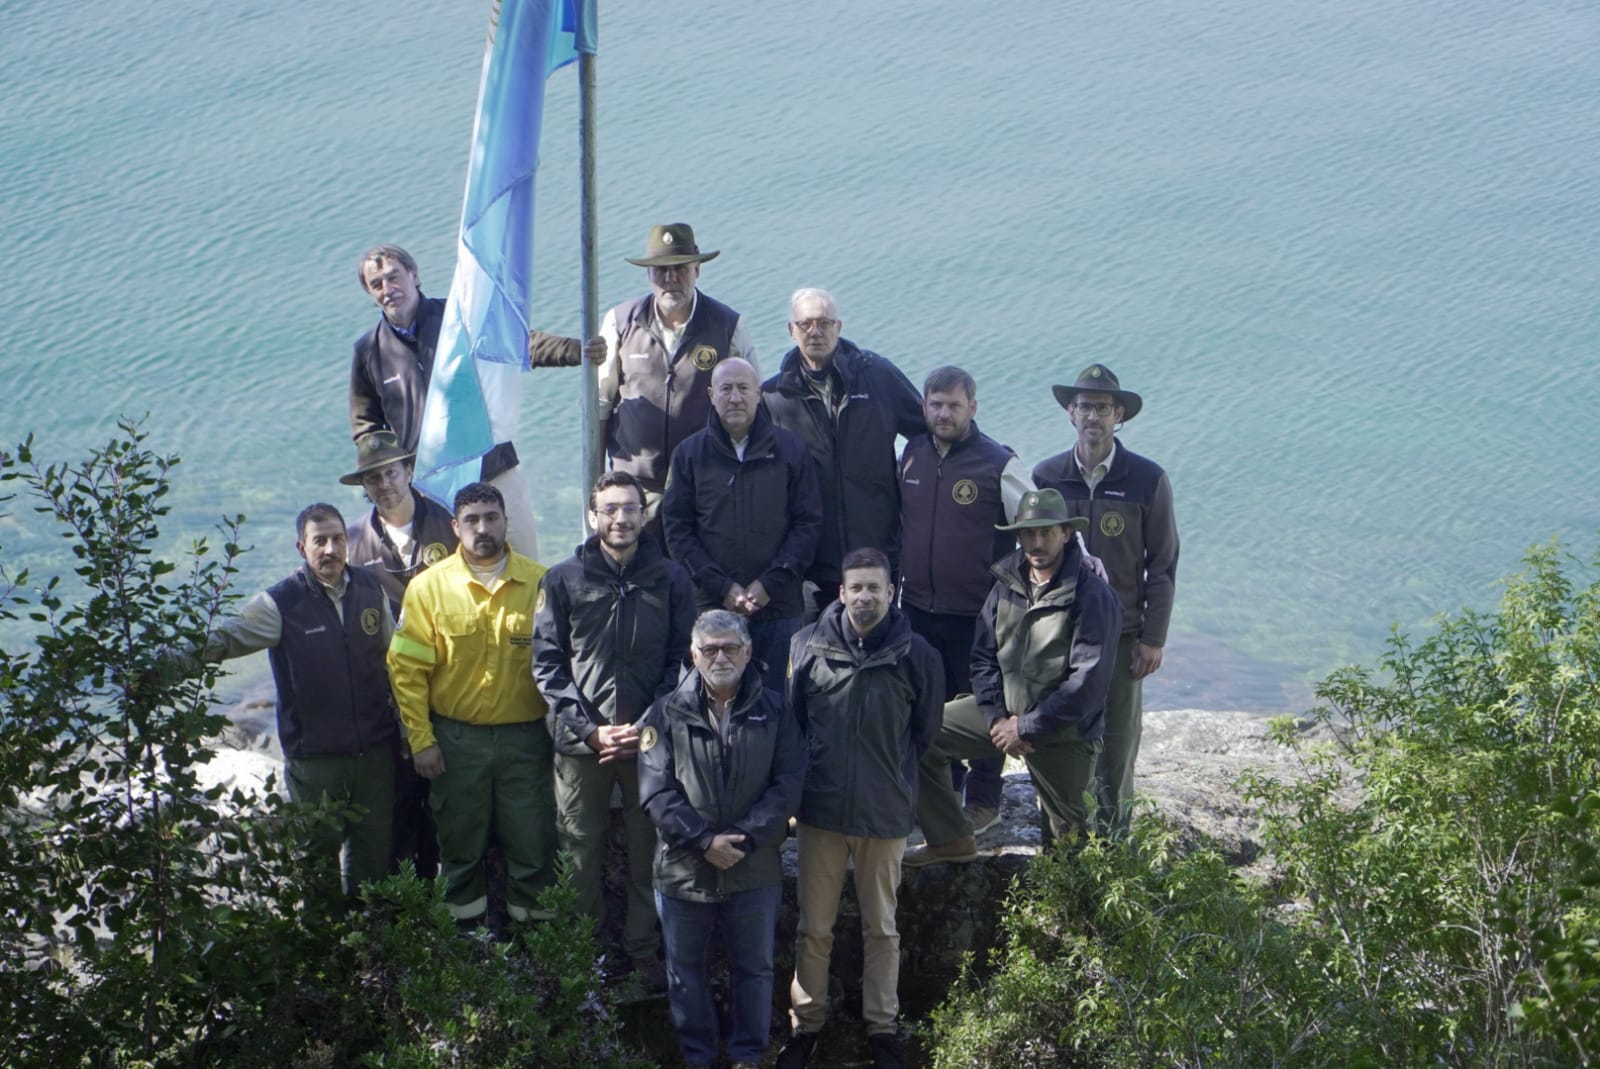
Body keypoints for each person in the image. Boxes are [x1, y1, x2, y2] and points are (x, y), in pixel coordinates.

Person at [776, 549, 943, 1069]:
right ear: (841, 593)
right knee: (815, 929)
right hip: (821, 814)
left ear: (891, 593)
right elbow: (793, 725)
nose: (865, 596)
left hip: (884, 814)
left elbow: (925, 733)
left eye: (875, 587)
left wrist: (888, 778)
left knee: (882, 929)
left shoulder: (919, 656)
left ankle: (882, 1029)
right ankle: (806, 1028)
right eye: (857, 588)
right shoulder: (806, 647)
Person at [531, 470, 695, 985]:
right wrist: (590, 731)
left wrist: (650, 721)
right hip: (582, 747)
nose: (620, 518)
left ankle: (644, 951)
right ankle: (583, 955)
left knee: (651, 852)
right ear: (592, 516)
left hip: (650, 745)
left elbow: (682, 661)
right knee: (580, 852)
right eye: (610, 509)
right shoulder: (562, 579)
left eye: (630, 508)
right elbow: (547, 665)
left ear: (644, 516)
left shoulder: (671, 578)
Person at [903, 489, 1122, 867]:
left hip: (1063, 733)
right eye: (1028, 533)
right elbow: (983, 659)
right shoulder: (1005, 583)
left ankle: (1073, 917)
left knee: (1069, 844)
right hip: (1003, 717)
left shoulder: (1092, 595)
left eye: (1047, 532)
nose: (1037, 543)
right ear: (1018, 535)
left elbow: (1087, 684)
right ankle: (950, 838)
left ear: (1066, 534)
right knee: (920, 732)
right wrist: (997, 719)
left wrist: (1028, 727)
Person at [349, 243, 603, 560]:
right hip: (432, 489)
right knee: (452, 587)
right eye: (377, 284)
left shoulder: (460, 319)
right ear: (370, 293)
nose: (388, 289)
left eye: (394, 277)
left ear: (414, 275)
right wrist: (390, 476)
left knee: (524, 568)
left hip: (493, 466)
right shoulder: (368, 351)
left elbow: (519, 345)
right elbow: (366, 427)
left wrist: (577, 350)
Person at [198, 503, 396, 900]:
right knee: (317, 865)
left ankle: (371, 951)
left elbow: (397, 664)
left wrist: (409, 731)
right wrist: (160, 665)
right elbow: (224, 639)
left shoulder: (371, 590)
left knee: (373, 865)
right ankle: (323, 956)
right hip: (316, 762)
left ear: (347, 542)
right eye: (318, 541)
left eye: (337, 539)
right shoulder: (280, 604)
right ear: (301, 548)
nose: (330, 550)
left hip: (375, 754)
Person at [637, 610, 806, 1069]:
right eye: (709, 649)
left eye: (730, 647)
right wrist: (704, 842)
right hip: (683, 870)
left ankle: (747, 1057)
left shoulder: (776, 710)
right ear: (693, 655)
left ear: (748, 652)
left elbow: (788, 783)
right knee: (685, 973)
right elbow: (656, 793)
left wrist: (744, 841)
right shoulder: (664, 713)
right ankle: (698, 1058)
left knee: (754, 970)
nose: (720, 656)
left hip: (754, 869)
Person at [386, 482, 555, 926]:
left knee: (534, 850)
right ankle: (466, 959)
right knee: (459, 854)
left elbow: (562, 666)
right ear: (455, 527)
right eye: (473, 520)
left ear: (505, 520)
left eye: (492, 517)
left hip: (526, 742)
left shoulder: (541, 583)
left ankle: (538, 959)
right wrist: (421, 740)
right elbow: (407, 672)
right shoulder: (428, 589)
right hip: (456, 744)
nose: (483, 528)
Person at [1031, 364, 1178, 834]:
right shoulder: (1047, 476)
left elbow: (1164, 564)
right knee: (1058, 740)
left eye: (1102, 407)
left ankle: (1116, 850)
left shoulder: (1146, 480)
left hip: (1123, 636)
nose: (1092, 415)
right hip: (1060, 634)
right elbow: (1031, 554)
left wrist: (1153, 638)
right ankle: (1060, 847)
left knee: (1116, 747)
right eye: (1084, 406)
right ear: (1070, 413)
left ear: (1119, 415)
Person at [897, 366, 1034, 837]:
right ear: (924, 406)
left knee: (982, 704)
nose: (943, 414)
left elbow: (1037, 523)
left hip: (978, 612)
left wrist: (1080, 561)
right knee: (929, 706)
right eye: (935, 404)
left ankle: (984, 801)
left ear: (972, 408)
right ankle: (943, 796)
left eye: (954, 405)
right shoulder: (911, 454)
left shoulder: (997, 462)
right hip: (916, 607)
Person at [661, 357, 822, 692]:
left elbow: (807, 524)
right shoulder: (689, 455)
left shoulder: (791, 450)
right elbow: (677, 531)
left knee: (775, 703)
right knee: (709, 704)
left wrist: (767, 585)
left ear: (758, 393)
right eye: (726, 389)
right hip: (712, 608)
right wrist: (724, 588)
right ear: (711, 394)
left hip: (778, 607)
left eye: (743, 388)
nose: (735, 397)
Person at [761, 288, 924, 617]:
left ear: (839, 326)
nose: (815, 331)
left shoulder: (877, 376)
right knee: (819, 657)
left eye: (824, 322)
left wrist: (912, 486)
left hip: (877, 550)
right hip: (812, 563)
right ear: (791, 330)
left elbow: (926, 432)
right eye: (805, 324)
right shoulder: (774, 396)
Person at [341, 430, 456, 880]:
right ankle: (403, 912)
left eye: (390, 472)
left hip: (452, 693)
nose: (383, 484)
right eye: (373, 478)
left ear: (409, 471)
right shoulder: (351, 544)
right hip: (386, 703)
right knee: (398, 812)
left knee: (452, 809)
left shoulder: (449, 525)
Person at [596, 223, 755, 511]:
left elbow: (750, 405)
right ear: (648, 274)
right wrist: (596, 487)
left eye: (680, 268)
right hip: (634, 489)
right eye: (661, 270)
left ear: (697, 270)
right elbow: (599, 407)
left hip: (705, 485)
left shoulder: (727, 325)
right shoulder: (620, 323)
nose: (670, 278)